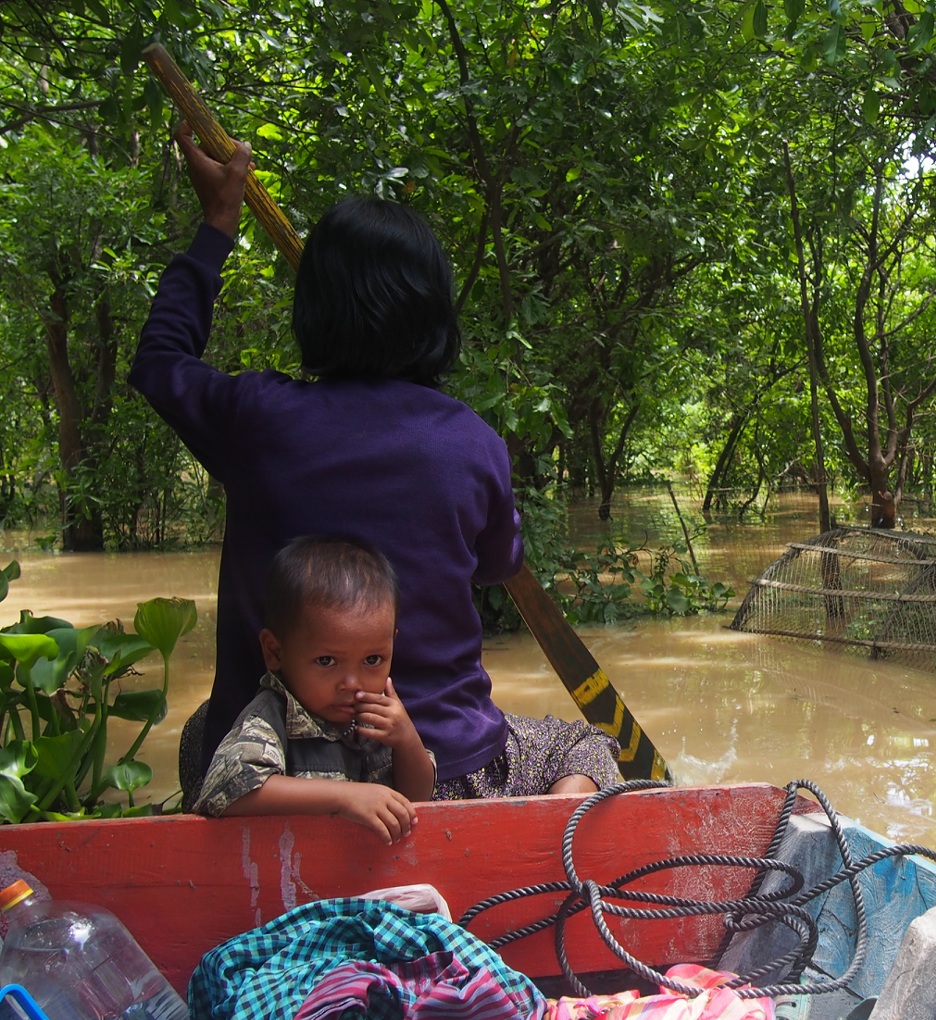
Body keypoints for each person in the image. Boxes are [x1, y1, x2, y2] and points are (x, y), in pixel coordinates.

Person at [130, 126, 621, 803]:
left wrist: (218, 224)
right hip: (443, 769)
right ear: (435, 319)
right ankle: (545, 820)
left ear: (315, 311)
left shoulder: (255, 417)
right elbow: (498, 565)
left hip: (286, 776)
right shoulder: (472, 442)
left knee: (203, 738)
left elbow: (158, 363)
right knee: (585, 744)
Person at [193, 536, 430, 843]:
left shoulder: (378, 714)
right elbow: (228, 791)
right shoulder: (273, 715)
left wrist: (406, 740)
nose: (352, 683)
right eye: (326, 661)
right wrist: (345, 797)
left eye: (372, 659)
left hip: (366, 874)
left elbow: (418, 795)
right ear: (275, 652)